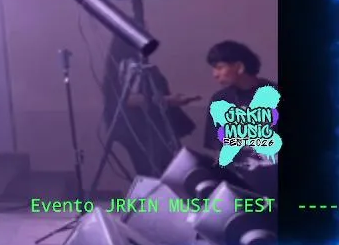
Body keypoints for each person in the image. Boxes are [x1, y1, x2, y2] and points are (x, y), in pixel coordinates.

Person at [100, 36, 198, 178]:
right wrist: (169, 100)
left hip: (143, 129)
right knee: (163, 173)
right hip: (143, 129)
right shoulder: (130, 65)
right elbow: (129, 99)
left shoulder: (124, 64)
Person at [204, 40, 277, 196]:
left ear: (239, 67)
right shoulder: (219, 100)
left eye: (219, 67)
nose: (215, 74)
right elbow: (218, 151)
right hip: (237, 188)